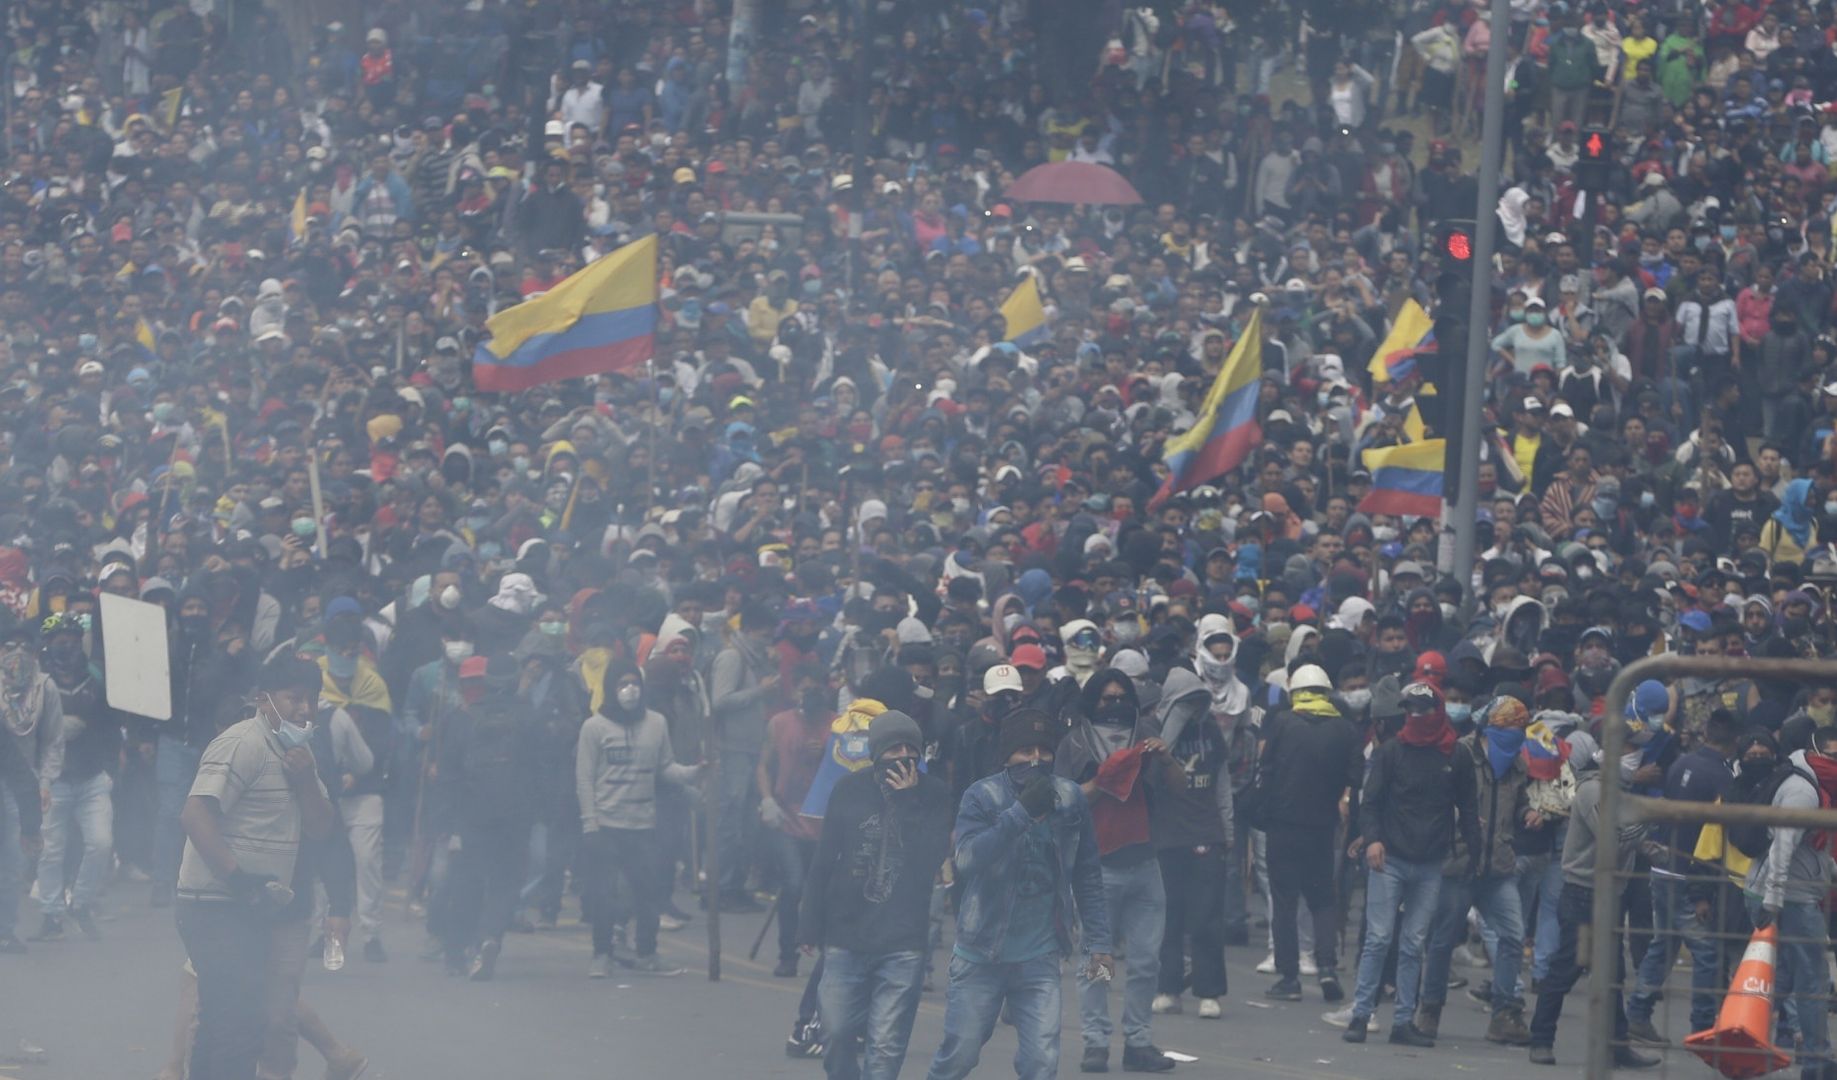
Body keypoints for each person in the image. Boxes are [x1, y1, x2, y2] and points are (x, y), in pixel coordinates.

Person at [925, 707, 1112, 1080]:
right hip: (980, 952)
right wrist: (1021, 813)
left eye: (1043, 750)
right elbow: (966, 860)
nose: (1036, 759)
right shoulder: (982, 796)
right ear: (1007, 755)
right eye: (1025, 751)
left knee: (1042, 1061)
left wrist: (1100, 943)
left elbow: (1088, 875)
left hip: (1040, 955)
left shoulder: (1071, 798)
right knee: (959, 1055)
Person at [174, 654, 335, 1080]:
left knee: (222, 1023)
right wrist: (238, 879)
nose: (304, 709)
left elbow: (321, 828)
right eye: (293, 698)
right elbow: (194, 815)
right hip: (215, 903)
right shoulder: (243, 742)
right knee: (239, 1027)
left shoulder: (298, 753)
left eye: (312, 699)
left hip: (249, 908)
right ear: (265, 699)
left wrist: (305, 780)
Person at [800, 710, 953, 1080]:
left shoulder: (936, 795)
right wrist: (808, 923)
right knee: (835, 1032)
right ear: (876, 753)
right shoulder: (848, 790)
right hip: (846, 935)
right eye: (893, 748)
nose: (902, 756)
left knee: (885, 1047)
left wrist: (907, 801)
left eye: (909, 749)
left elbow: (930, 857)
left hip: (902, 941)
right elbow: (824, 860)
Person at [1341, 682, 1477, 1049]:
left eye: (1422, 710)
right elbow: (1371, 803)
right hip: (1390, 858)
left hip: (1432, 861)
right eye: (1410, 711)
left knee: (1414, 943)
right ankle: (1360, 1014)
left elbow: (1469, 809)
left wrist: (1474, 859)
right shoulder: (1391, 752)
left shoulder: (1455, 756)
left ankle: (1403, 1020)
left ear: (1437, 712)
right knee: (1379, 939)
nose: (1415, 717)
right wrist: (1373, 840)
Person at [1525, 702, 1660, 1069]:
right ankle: (1540, 1039)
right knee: (1566, 968)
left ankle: (1616, 1046)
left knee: (1613, 973)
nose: (1637, 755)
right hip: (1585, 894)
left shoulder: (1617, 789)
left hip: (1610, 893)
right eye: (1632, 748)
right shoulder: (1593, 791)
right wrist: (1646, 824)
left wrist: (1651, 844)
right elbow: (1612, 840)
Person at [1055, 669, 1177, 1073]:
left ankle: (1139, 1042)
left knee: (1146, 962)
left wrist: (1165, 756)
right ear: (1093, 702)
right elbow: (1062, 801)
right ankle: (1096, 1043)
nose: (1115, 704)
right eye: (1106, 698)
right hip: (1098, 870)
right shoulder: (1075, 741)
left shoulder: (1147, 734)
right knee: (1099, 964)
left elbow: (1179, 785)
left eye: (1122, 696)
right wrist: (1103, 781)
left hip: (1145, 863)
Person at [1414, 695, 1533, 1046]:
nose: (1515, 737)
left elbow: (1520, 802)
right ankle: (1430, 1010)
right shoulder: (1459, 754)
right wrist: (1460, 820)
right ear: (1488, 728)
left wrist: (1529, 814)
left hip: (1498, 864)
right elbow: (1436, 802)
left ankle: (1504, 1014)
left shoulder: (1517, 764)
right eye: (1509, 729)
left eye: (1520, 731)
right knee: (1442, 940)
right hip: (1460, 863)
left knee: (1513, 936)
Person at [576, 656, 699, 977]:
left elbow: (665, 768)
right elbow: (584, 778)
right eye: (621, 684)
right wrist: (590, 822)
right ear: (609, 688)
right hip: (605, 824)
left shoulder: (656, 724)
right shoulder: (594, 728)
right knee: (603, 895)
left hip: (643, 823)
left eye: (634, 683)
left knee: (648, 893)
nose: (629, 690)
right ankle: (601, 954)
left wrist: (694, 772)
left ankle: (647, 952)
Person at [1257, 663, 1361, 1004]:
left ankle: (1289, 978)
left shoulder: (1283, 724)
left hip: (1283, 826)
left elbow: (1266, 771)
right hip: (1322, 827)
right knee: (1322, 900)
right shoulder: (1345, 730)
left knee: (1284, 901)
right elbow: (1356, 778)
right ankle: (1327, 967)